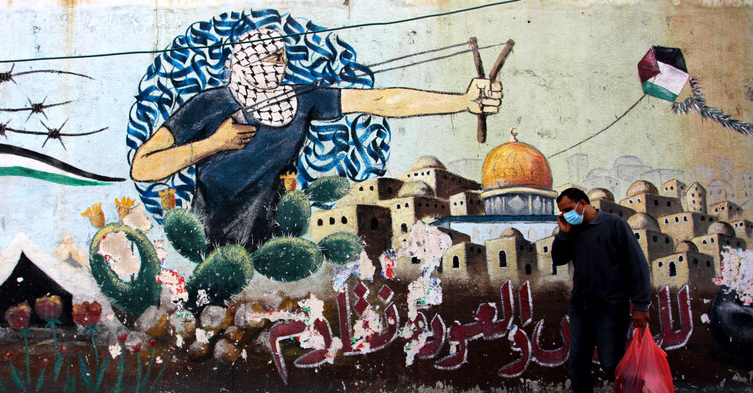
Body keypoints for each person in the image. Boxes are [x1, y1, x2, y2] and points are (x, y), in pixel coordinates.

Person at [130, 27, 502, 251]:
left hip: (274, 240)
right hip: (210, 239)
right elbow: (144, 166)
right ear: (242, 63)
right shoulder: (210, 104)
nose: (276, 68)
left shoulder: (300, 99)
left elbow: (380, 100)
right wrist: (214, 143)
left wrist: (463, 101)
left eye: (280, 59)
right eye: (266, 59)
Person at [550, 187, 684, 393]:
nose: (566, 215)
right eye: (562, 212)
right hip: (581, 305)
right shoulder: (573, 229)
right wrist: (564, 233)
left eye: (568, 210)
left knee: (614, 365)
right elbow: (558, 259)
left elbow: (638, 265)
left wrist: (641, 305)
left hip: (611, 306)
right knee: (578, 363)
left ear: (582, 204)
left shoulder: (614, 225)